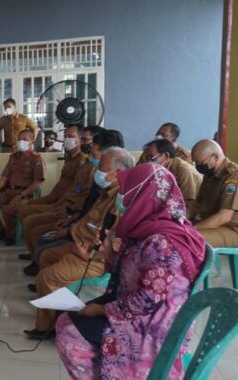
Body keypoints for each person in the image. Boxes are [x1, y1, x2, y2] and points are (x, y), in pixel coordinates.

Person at [56, 163, 205, 379]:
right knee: (66, 321)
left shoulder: (162, 241)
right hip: (135, 307)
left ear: (143, 194)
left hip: (153, 323)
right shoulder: (148, 227)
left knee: (70, 336)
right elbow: (132, 271)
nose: (122, 198)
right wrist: (108, 251)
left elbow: (149, 298)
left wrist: (101, 310)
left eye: (126, 192)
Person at [24, 147, 135, 340]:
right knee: (46, 255)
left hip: (93, 258)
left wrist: (88, 255)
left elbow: (114, 246)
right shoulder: (106, 192)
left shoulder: (120, 202)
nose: (97, 171)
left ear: (117, 173)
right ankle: (56, 307)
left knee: (46, 277)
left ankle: (47, 327)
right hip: (79, 244)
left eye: (101, 166)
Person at [21, 126, 105, 260]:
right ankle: (35, 256)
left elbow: (84, 198)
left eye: (72, 137)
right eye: (65, 136)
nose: (67, 139)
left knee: (31, 221)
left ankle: (37, 257)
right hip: (64, 204)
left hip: (71, 211)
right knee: (26, 212)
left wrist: (68, 212)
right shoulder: (77, 160)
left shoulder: (90, 165)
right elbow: (71, 188)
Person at [0, 129, 44, 245]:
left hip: (25, 195)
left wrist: (21, 195)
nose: (21, 141)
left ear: (32, 141)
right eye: (19, 139)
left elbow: (37, 183)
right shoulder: (13, 157)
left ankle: (11, 234)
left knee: (7, 210)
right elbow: (4, 178)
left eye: (24, 139)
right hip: (8, 192)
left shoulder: (36, 159)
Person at [190, 139, 238, 247]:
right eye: (195, 163)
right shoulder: (210, 174)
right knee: (173, 231)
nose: (198, 166)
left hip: (232, 229)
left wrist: (191, 229)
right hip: (214, 224)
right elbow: (197, 205)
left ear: (215, 157)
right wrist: (179, 218)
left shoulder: (233, 177)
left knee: (189, 238)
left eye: (200, 163)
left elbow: (224, 217)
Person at [140, 139, 202, 205]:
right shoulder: (159, 169)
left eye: (151, 157)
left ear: (166, 156)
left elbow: (187, 203)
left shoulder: (183, 170)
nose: (147, 161)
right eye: (146, 157)